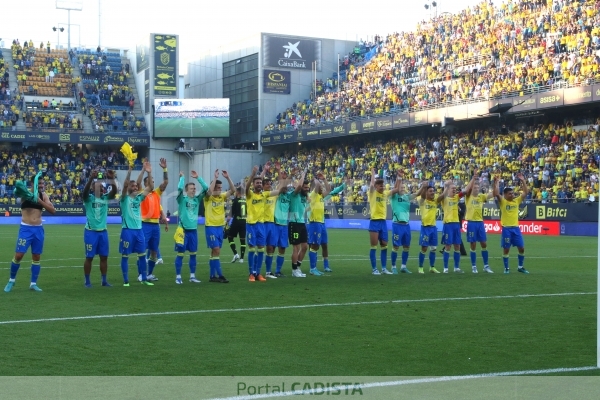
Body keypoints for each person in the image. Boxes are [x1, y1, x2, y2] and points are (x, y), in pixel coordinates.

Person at [4, 173, 56, 292]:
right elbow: (19, 194)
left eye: (43, 183)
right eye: (40, 183)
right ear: (33, 183)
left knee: (36, 256)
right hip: (26, 229)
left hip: (38, 229)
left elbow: (53, 210)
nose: (42, 185)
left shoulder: (44, 196)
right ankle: (11, 280)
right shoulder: (24, 193)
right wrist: (32, 196)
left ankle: (33, 284)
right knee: (19, 255)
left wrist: (39, 200)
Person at [245, 165, 286, 282]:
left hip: (261, 225)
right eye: (257, 183)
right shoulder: (250, 195)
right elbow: (246, 187)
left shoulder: (265, 195)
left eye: (259, 183)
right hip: (251, 225)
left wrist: (281, 175)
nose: (258, 184)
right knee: (252, 249)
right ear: (254, 184)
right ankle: (251, 273)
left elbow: (280, 189)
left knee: (261, 249)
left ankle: (258, 273)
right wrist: (253, 174)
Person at [119, 163, 154, 286]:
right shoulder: (124, 198)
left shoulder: (139, 198)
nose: (135, 187)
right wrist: (129, 170)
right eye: (132, 186)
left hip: (139, 230)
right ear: (128, 187)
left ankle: (144, 279)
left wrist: (148, 172)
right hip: (127, 230)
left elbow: (150, 187)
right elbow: (124, 185)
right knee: (125, 255)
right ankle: (126, 281)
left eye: (136, 186)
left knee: (142, 255)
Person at [82, 169, 117, 287]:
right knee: (89, 257)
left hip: (103, 232)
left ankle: (104, 281)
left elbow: (114, 192)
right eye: (99, 187)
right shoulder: (89, 199)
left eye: (102, 187)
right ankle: (87, 281)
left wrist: (112, 179)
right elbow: (84, 192)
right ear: (93, 188)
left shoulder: (105, 198)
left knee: (104, 257)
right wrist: (91, 178)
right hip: (91, 232)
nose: (102, 189)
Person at [307, 173, 347, 275]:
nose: (322, 188)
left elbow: (329, 190)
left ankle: (325, 266)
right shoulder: (313, 195)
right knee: (314, 245)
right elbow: (316, 186)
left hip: (322, 223)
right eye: (320, 187)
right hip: (314, 222)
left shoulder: (320, 196)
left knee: (324, 245)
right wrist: (315, 179)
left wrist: (324, 179)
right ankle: (313, 268)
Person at [174, 170, 209, 284]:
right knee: (180, 255)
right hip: (183, 231)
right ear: (187, 190)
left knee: (193, 254)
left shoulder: (197, 200)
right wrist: (182, 178)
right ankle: (178, 277)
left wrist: (198, 177)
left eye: (194, 188)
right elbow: (179, 189)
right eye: (191, 188)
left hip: (193, 231)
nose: (194, 190)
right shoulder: (182, 200)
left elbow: (206, 188)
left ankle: (192, 276)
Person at [493, 173, 529, 274]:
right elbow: (496, 193)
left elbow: (525, 192)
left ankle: (520, 267)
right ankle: (506, 268)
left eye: (513, 193)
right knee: (506, 249)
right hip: (506, 229)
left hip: (516, 228)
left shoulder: (516, 201)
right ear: (505, 195)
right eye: (510, 194)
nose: (512, 195)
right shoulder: (503, 202)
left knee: (521, 248)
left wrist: (523, 181)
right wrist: (496, 182)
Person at [140, 158, 169, 282]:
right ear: (146, 184)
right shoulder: (142, 193)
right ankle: (141, 274)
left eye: (153, 181)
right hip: (145, 224)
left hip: (155, 225)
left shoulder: (157, 193)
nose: (153, 183)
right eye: (150, 181)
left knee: (154, 252)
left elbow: (166, 182)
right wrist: (147, 172)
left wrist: (165, 169)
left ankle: (149, 274)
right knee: (142, 251)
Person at [204, 169, 235, 283]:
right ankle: (220, 275)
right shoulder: (208, 198)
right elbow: (208, 192)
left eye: (221, 188)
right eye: (218, 188)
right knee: (216, 250)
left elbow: (233, 190)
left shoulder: (222, 196)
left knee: (215, 252)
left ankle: (212, 276)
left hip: (220, 227)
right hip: (211, 227)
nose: (220, 190)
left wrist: (227, 177)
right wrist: (215, 178)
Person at [464, 171, 494, 273]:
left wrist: (496, 183)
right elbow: (467, 189)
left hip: (480, 223)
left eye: (478, 188)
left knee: (484, 244)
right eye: (475, 188)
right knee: (473, 245)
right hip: (471, 222)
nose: (477, 189)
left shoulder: (481, 197)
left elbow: (494, 193)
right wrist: (474, 178)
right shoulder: (468, 197)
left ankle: (486, 266)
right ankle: (474, 266)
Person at [389, 170, 419, 274]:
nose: (402, 189)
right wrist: (399, 178)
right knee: (396, 246)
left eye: (403, 188)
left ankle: (403, 266)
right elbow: (395, 188)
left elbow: (417, 194)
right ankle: (393, 267)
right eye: (400, 187)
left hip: (406, 226)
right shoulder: (394, 197)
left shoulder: (407, 197)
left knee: (407, 247)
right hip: (397, 225)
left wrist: (423, 187)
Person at [368, 169, 392, 275]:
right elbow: (372, 184)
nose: (382, 187)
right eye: (380, 186)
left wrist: (400, 177)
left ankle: (383, 268)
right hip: (374, 222)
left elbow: (395, 190)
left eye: (383, 185)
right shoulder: (372, 193)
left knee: (384, 245)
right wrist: (373, 174)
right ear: (376, 187)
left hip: (383, 222)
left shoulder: (385, 195)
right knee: (374, 246)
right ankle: (374, 269)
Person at [437, 180, 464, 273]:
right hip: (448, 225)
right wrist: (445, 185)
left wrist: (474, 178)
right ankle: (445, 268)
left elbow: (465, 191)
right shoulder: (444, 199)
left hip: (456, 225)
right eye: (452, 188)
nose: (454, 190)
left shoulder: (456, 198)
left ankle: (456, 267)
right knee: (447, 246)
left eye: (455, 189)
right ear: (448, 190)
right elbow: (439, 198)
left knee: (457, 246)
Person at [288, 171, 309, 277]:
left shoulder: (304, 196)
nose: (306, 189)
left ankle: (298, 267)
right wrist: (303, 174)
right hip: (294, 223)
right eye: (305, 187)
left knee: (305, 246)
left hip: (301, 223)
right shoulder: (294, 194)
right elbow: (299, 185)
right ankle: (294, 270)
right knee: (296, 247)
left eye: (307, 187)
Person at [417, 183, 440, 274]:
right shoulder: (422, 201)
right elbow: (422, 196)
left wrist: (447, 188)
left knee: (433, 248)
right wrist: (424, 187)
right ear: (426, 192)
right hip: (425, 228)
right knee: (424, 248)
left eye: (433, 191)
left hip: (433, 227)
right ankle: (420, 267)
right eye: (430, 191)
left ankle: (432, 267)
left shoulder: (435, 201)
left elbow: (441, 196)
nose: (432, 193)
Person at [227, 187, 246, 264]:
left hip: (236, 222)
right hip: (243, 222)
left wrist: (226, 222)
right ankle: (242, 258)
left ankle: (236, 254)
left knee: (230, 237)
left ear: (238, 192)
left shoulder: (235, 201)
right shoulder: (245, 201)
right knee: (242, 240)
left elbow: (230, 214)